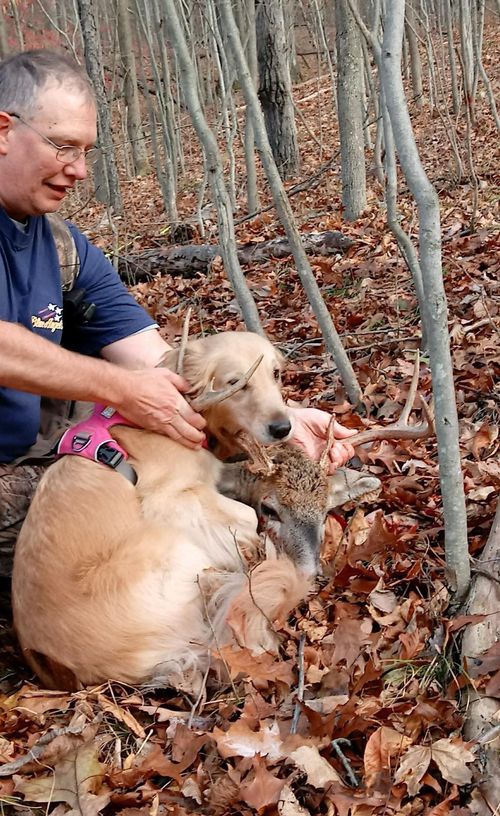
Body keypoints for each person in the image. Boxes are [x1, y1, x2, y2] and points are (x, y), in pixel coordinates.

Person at [0, 49, 355, 558]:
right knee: (126, 504)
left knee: (215, 475)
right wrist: (121, 389)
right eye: (63, 147)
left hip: (39, 450)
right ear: (4, 131)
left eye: (86, 151)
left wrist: (274, 418)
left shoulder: (62, 247)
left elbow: (159, 362)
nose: (79, 170)